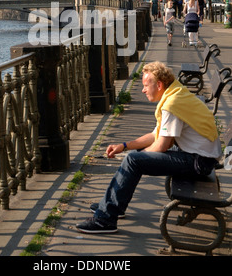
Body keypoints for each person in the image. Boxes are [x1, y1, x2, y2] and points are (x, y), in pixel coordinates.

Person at [76, 61, 221, 234]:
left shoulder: (172, 104)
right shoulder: (175, 94)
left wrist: (132, 157)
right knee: (134, 158)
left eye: (146, 85)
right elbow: (155, 135)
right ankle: (113, 206)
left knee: (133, 161)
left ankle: (105, 219)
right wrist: (124, 146)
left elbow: (161, 145)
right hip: (198, 157)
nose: (143, 90)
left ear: (159, 85)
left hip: (199, 162)